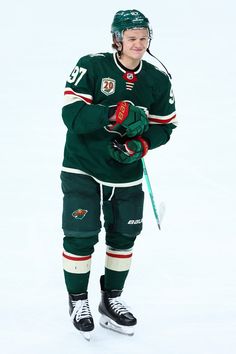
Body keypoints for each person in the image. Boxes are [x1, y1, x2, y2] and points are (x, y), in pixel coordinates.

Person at [60, 9, 177, 339]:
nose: (139, 43)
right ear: (117, 39)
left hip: (125, 172)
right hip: (82, 165)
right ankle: (78, 301)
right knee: (80, 233)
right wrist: (112, 113)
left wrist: (141, 145)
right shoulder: (92, 65)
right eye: (132, 38)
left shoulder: (156, 79)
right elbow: (71, 114)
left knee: (124, 237)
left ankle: (111, 301)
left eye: (143, 38)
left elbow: (165, 126)